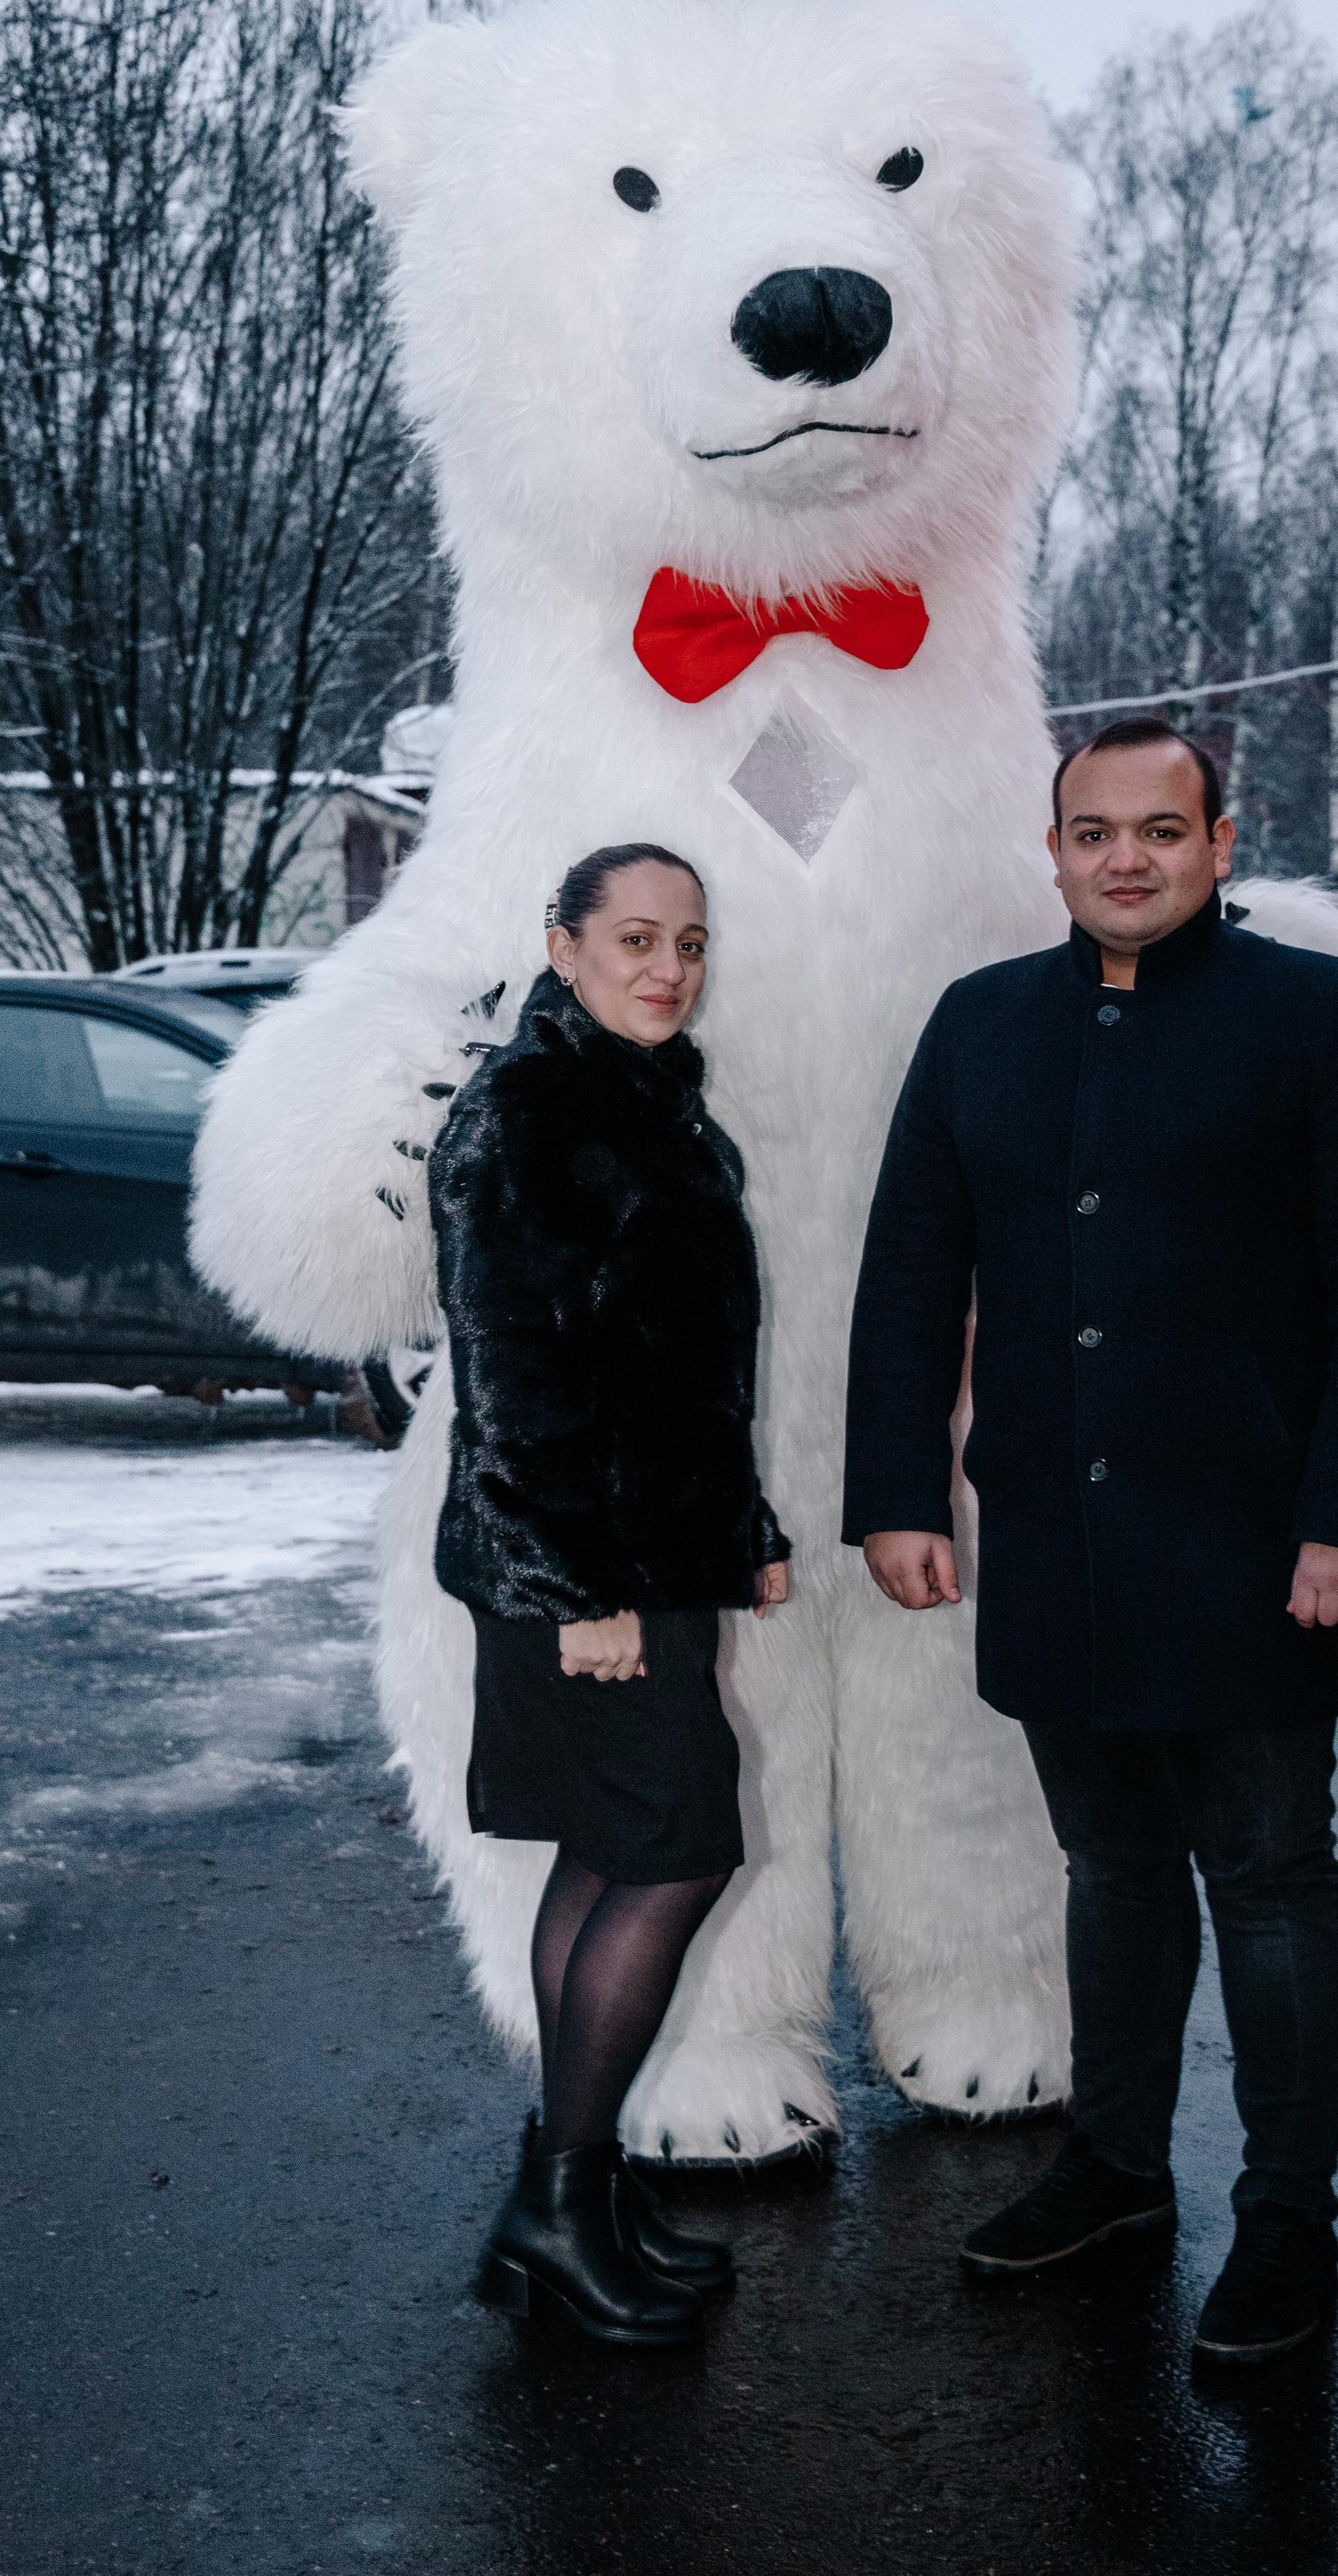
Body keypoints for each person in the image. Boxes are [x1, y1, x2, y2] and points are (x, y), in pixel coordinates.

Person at [841, 719, 1338, 2365]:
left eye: (1159, 831)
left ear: (1217, 842)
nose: (1125, 857)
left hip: (1260, 1542)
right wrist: (898, 1489)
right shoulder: (980, 1027)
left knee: (1264, 1873)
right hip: (1057, 1533)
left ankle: (1284, 2224)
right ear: (1051, 850)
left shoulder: (1313, 1020)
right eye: (1092, 831)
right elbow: (911, 1271)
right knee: (1108, 1868)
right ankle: (1113, 2168)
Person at [430, 841, 790, 2348]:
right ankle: (560, 2202)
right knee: (677, 1847)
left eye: (689, 943)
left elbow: (678, 1366)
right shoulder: (527, 1112)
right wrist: (579, 1587)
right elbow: (514, 1380)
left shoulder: (652, 1102)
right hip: (578, 1576)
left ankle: (568, 2191)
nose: (668, 967)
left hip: (651, 1566)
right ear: (563, 947)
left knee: (614, 1847)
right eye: (635, 938)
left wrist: (741, 1526)